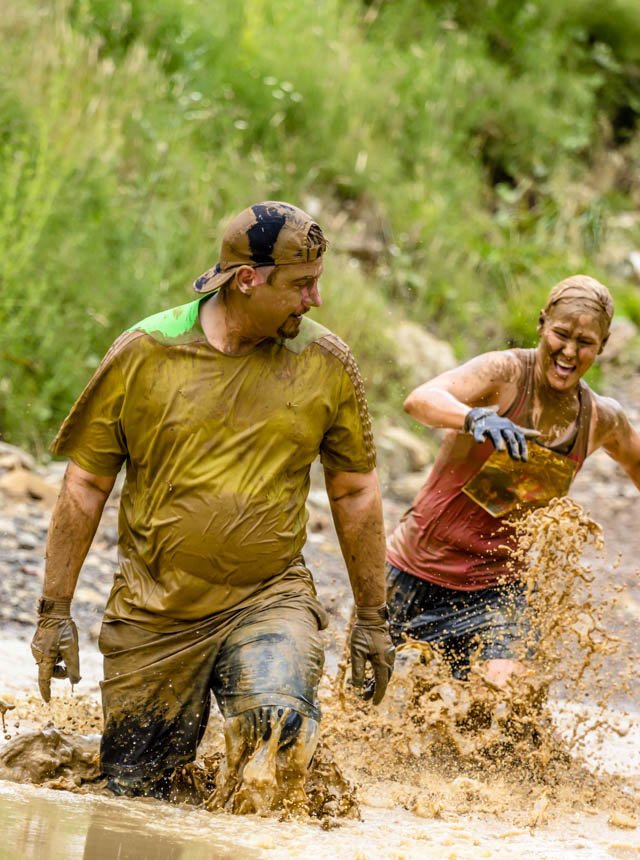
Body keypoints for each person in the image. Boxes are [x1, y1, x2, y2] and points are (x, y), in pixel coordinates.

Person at [31, 201, 395, 808]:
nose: (315, 300)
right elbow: (85, 484)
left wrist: (374, 618)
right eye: (301, 285)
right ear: (247, 278)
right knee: (135, 802)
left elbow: (355, 492)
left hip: (267, 597)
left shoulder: (325, 361)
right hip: (154, 612)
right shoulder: (146, 350)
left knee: (276, 737)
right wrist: (53, 611)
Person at [387, 275, 640, 686]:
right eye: (561, 334)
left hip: (497, 591)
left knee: (508, 705)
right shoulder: (504, 373)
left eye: (585, 343)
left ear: (604, 345)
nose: (569, 352)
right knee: (366, 705)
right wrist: (475, 417)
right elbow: (420, 400)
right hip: (414, 572)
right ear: (542, 324)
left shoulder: (599, 418)